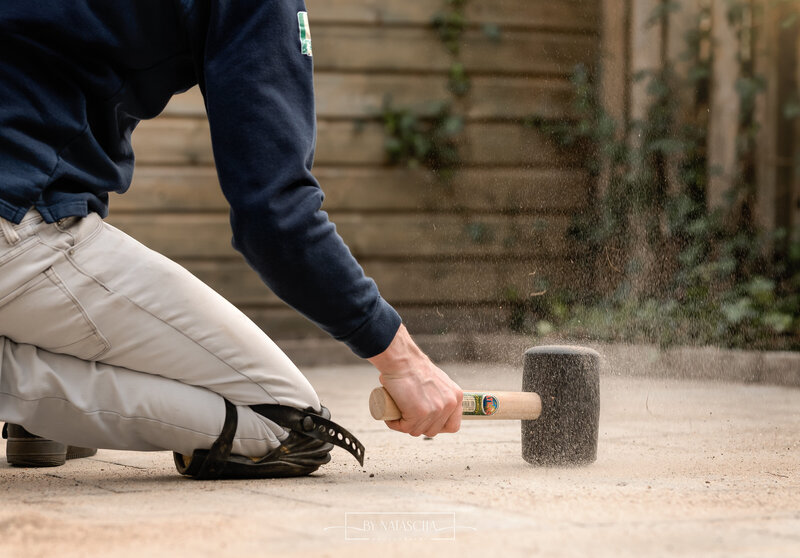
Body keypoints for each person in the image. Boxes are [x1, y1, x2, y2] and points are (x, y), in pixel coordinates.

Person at [0, 1, 462, 479]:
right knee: (286, 423)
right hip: (16, 217)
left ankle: (40, 415)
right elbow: (276, 217)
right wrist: (403, 362)